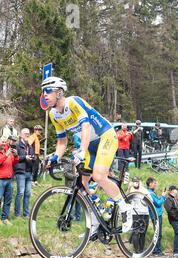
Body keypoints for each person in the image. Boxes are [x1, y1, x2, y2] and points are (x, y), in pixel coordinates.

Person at [41, 76, 136, 237]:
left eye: (48, 91)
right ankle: (96, 219)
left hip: (105, 136)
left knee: (98, 176)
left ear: (59, 92)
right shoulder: (54, 115)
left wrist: (82, 151)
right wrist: (55, 157)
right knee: (83, 183)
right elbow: (62, 141)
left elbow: (86, 125)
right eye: (43, 92)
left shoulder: (73, 102)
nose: (44, 95)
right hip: (89, 145)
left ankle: (126, 208)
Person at [13, 128, 34, 218]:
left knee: (28, 193)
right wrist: (25, 157)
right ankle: (17, 214)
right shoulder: (17, 145)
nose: (27, 135)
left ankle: (25, 214)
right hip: (20, 171)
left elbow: (33, 157)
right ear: (20, 135)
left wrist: (33, 158)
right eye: (25, 133)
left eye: (28, 133)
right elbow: (14, 158)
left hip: (29, 172)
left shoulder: (30, 146)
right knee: (20, 193)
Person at [146, 177, 167, 256]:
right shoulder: (150, 193)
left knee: (158, 232)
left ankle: (157, 250)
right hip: (156, 215)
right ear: (150, 184)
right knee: (158, 233)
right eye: (154, 183)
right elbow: (158, 203)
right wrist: (163, 196)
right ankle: (156, 250)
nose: (155, 184)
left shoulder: (151, 192)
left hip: (156, 214)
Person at [0, 138, 19, 226]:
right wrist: (6, 155)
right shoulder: (4, 153)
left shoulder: (7, 152)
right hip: (1, 180)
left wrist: (15, 155)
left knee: (8, 200)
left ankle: (5, 218)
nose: (4, 143)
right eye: (2, 142)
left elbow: (14, 162)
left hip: (9, 180)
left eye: (5, 142)